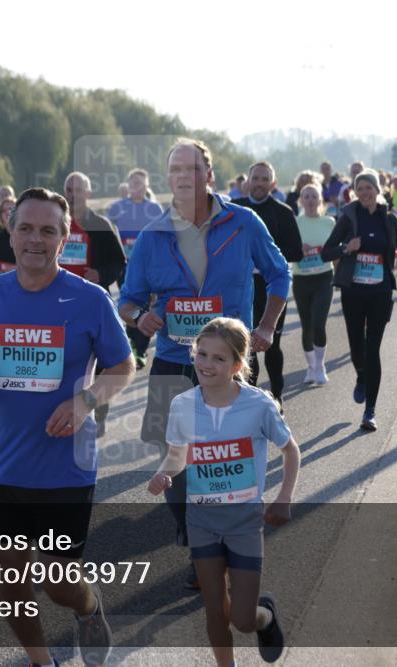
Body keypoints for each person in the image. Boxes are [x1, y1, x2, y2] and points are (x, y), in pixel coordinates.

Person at [0, 187, 135, 667]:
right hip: (5, 466)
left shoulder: (88, 300)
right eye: (26, 228)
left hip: (67, 467)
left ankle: (88, 607)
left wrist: (86, 401)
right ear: (10, 231)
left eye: (48, 230)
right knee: (11, 586)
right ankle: (40, 660)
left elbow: (123, 366)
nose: (35, 239)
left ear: (64, 237)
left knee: (60, 584)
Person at [119, 138, 291, 588]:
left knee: (219, 458)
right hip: (174, 360)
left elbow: (279, 273)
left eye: (190, 169)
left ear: (208, 175)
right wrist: (142, 316)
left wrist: (268, 327)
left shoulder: (243, 222)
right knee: (172, 457)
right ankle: (195, 533)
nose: (181, 177)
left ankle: (215, 545)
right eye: (174, 169)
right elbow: (128, 299)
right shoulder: (153, 234)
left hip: (225, 361)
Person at [147, 317, 300, 666]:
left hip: (245, 521)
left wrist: (284, 496)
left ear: (237, 365)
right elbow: (176, 454)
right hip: (201, 520)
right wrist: (163, 475)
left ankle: (266, 617)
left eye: (219, 358)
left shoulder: (259, 404)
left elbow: (290, 450)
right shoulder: (183, 404)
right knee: (215, 611)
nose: (207, 364)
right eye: (202, 354)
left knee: (242, 620)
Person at [320, 169, 397, 432]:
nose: (364, 193)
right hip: (353, 292)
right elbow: (327, 252)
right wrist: (346, 248)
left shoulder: (389, 219)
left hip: (380, 292)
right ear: (354, 192)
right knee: (357, 347)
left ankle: (370, 411)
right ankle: (361, 375)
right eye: (359, 189)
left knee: (373, 349)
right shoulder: (348, 219)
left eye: (368, 188)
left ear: (377, 189)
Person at [232, 162, 303, 405]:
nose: (260, 183)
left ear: (272, 184)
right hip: (241, 289)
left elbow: (296, 252)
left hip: (271, 288)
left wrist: (265, 257)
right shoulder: (235, 210)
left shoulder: (282, 212)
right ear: (247, 182)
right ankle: (250, 399)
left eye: (265, 179)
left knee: (271, 345)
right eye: (256, 178)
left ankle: (277, 396)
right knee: (244, 346)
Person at [62, 171, 126, 437]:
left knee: (101, 360)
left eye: (77, 189)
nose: (71, 194)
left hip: (92, 301)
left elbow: (119, 262)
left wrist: (100, 274)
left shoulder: (100, 224)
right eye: (67, 189)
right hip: (60, 301)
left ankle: (98, 412)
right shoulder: (57, 222)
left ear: (88, 194)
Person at [107, 168, 165, 369]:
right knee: (128, 303)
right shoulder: (117, 207)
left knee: (146, 307)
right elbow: (107, 231)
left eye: (140, 183)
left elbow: (161, 238)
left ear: (147, 186)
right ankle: (131, 344)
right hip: (124, 265)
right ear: (128, 186)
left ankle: (140, 351)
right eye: (133, 184)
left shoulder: (155, 209)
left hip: (147, 267)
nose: (136, 187)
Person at [291, 182, 336, 385]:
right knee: (307, 326)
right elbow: (286, 250)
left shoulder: (329, 222)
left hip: (324, 277)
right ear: (301, 200)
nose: (310, 200)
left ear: (320, 200)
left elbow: (336, 250)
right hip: (301, 279)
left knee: (319, 323)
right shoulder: (294, 223)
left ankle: (320, 366)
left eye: (314, 196)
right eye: (306, 196)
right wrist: (299, 249)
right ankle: (311, 367)